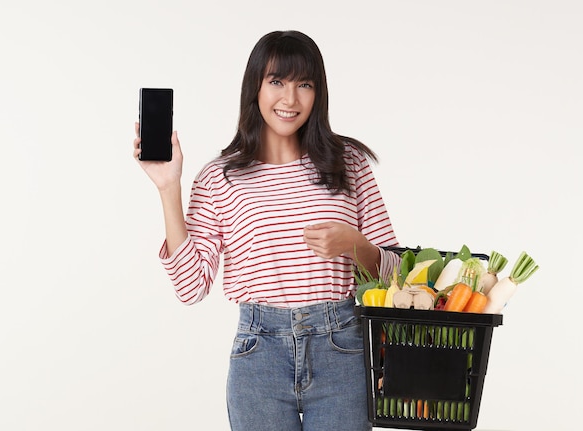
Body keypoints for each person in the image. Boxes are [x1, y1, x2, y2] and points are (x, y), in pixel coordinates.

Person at [133, 30, 401, 431]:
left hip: (342, 348)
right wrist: (169, 186)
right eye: (276, 81)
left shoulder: (349, 163)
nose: (290, 99)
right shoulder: (218, 178)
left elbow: (398, 274)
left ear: (318, 93)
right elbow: (191, 288)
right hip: (259, 355)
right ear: (254, 87)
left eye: (304, 84)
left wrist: (354, 243)